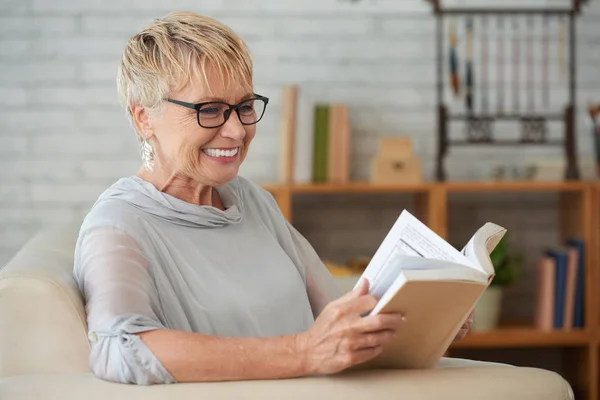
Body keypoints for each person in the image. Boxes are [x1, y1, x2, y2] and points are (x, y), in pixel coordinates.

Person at [73, 11, 473, 386]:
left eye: (244, 107)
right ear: (145, 117)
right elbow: (119, 348)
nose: (236, 130)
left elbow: (336, 310)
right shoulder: (118, 224)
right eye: (210, 110)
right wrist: (303, 353)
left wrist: (424, 317)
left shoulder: (252, 201)